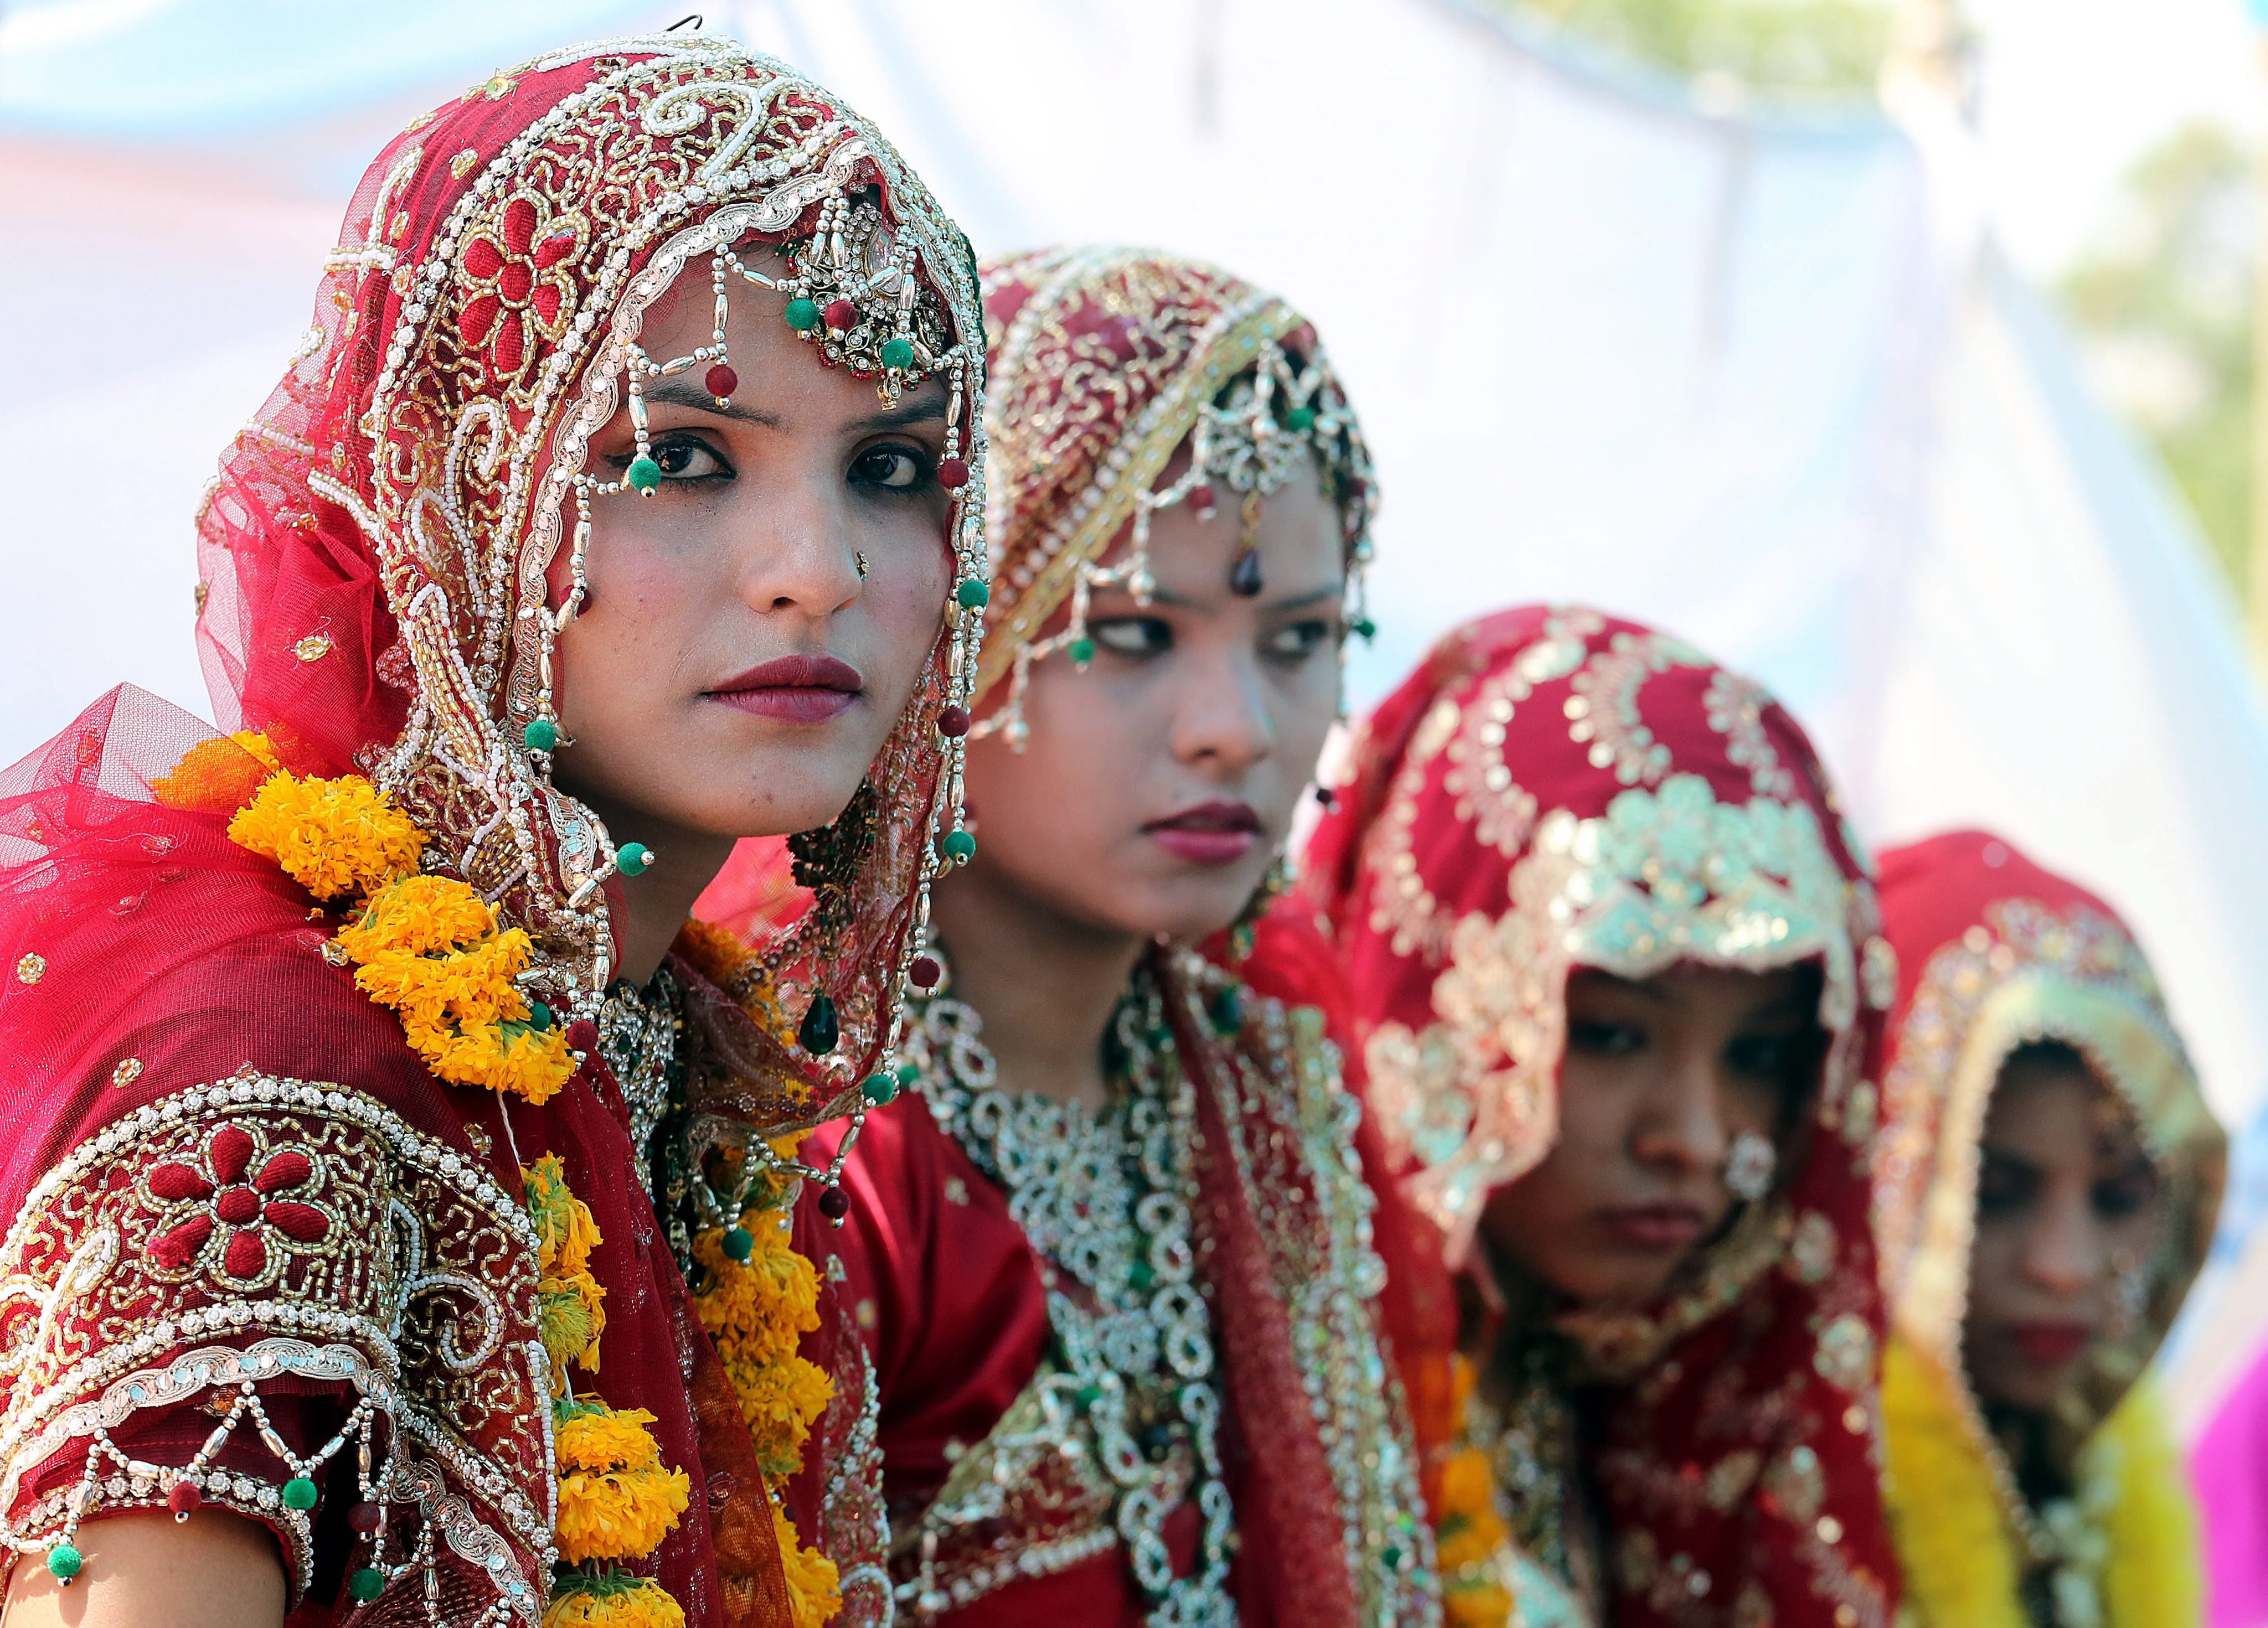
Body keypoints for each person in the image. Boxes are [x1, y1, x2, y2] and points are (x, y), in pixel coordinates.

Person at [0, 34, 991, 1628]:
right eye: (672, 458)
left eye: (892, 468)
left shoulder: (686, 1069)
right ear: (455, 498)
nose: (820, 566)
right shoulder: (275, 1078)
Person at [699, 246, 1437, 1626]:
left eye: (1297, 640)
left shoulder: (1266, 1086)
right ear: (954, 623)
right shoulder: (810, 1129)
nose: (1235, 726)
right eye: (1137, 631)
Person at [1300, 605, 1901, 1628]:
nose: (1698, 1138)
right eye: (1617, 1033)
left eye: (1756, 1055)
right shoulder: (1282, 1395)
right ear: (1441, 991)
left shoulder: (1655, 1423)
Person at [1870, 831, 2224, 1628]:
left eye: (2119, 1196)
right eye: (1992, 1195)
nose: (2064, 1267)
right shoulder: (1771, 1524)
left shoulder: (2106, 1491)